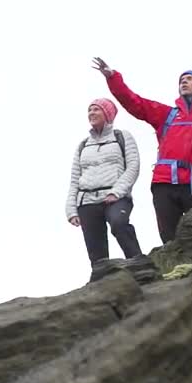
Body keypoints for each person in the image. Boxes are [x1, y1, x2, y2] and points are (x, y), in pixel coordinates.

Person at [91, 57, 192, 243]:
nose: (184, 82)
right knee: (169, 239)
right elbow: (135, 103)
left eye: (189, 79)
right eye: (181, 80)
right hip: (164, 183)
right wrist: (113, 78)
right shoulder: (167, 114)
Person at [65, 98, 144, 264]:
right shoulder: (83, 145)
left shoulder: (122, 137)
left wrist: (117, 192)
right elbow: (74, 180)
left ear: (107, 113)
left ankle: (140, 265)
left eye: (96, 109)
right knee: (96, 250)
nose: (91, 113)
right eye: (90, 110)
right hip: (86, 201)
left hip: (115, 197)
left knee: (119, 224)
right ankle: (102, 280)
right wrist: (71, 209)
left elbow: (133, 167)